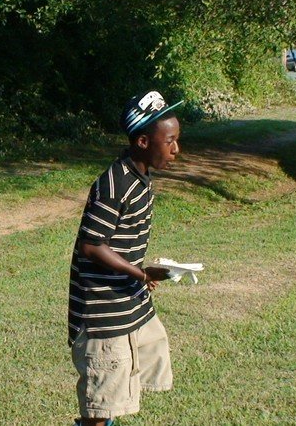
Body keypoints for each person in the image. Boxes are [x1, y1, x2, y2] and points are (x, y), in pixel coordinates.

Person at [68, 90, 181, 426]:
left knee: (125, 382)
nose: (176, 149)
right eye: (170, 141)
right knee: (101, 404)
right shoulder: (115, 184)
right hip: (104, 314)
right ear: (143, 142)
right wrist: (138, 273)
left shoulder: (139, 179)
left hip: (129, 303)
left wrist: (143, 273)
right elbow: (91, 246)